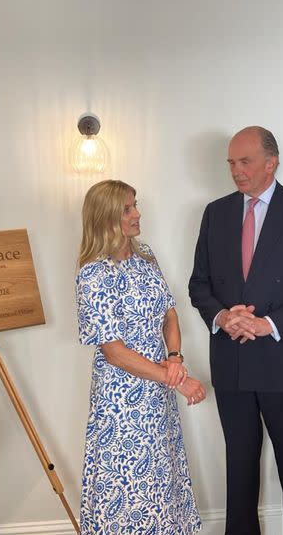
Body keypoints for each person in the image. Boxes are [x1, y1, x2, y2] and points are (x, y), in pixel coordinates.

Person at [189, 126, 283, 535]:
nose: (236, 170)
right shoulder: (215, 213)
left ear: (271, 163)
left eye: (245, 161)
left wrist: (268, 324)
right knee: (239, 467)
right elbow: (199, 284)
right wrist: (221, 316)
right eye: (231, 163)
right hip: (232, 362)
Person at [75, 179, 204, 535]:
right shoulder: (93, 274)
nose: (137, 214)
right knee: (126, 483)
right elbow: (114, 352)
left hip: (159, 390)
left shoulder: (145, 256)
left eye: (136, 205)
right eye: (128, 208)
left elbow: (170, 314)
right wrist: (176, 378)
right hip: (120, 401)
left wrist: (175, 358)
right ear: (107, 217)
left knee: (161, 480)